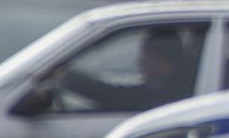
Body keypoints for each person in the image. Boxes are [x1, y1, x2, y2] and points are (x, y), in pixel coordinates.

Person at [56, 27, 199, 113]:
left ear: (163, 60)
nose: (140, 62)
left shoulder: (169, 91)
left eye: (146, 56)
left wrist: (67, 77)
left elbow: (116, 95)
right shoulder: (167, 85)